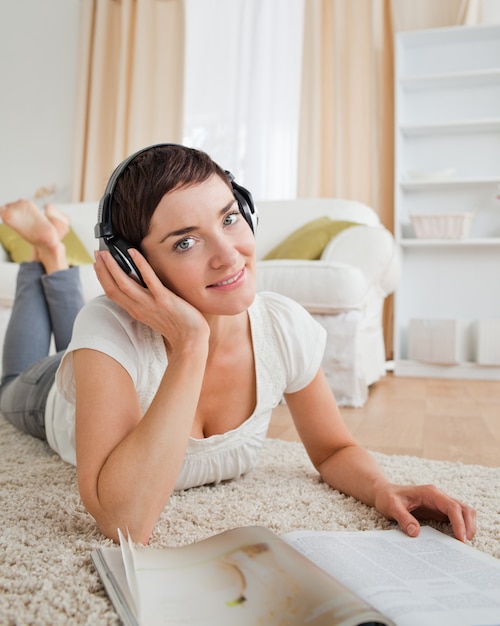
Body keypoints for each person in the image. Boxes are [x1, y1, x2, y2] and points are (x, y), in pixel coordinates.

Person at [0, 144, 476, 545]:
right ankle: (47, 251)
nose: (229, 255)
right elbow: (127, 522)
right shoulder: (107, 327)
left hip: (109, 356)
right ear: (134, 267)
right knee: (10, 383)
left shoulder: (282, 327)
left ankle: (50, 250)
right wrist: (191, 344)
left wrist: (382, 488)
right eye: (185, 242)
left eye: (229, 218)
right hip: (48, 396)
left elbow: (332, 450)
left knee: (88, 333)